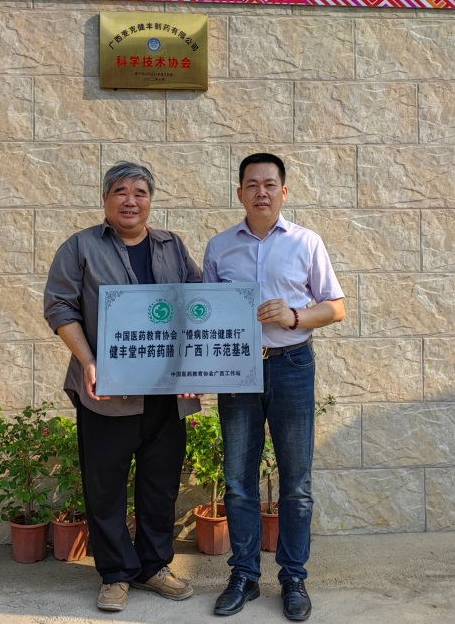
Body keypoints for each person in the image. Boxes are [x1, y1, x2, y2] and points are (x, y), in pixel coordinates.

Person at [43, 161, 201, 613]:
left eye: (140, 192)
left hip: (166, 394)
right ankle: (115, 573)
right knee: (105, 486)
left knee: (161, 484)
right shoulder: (81, 247)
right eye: (120, 192)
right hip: (107, 393)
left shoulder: (172, 246)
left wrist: (199, 369)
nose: (131, 201)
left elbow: (198, 301)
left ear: (151, 200)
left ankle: (153, 566)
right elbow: (59, 307)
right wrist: (88, 361)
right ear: (105, 199)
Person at [203, 152, 346, 622]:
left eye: (269, 184)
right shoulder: (220, 247)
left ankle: (293, 578)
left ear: (283, 192)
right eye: (252, 184)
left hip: (292, 365)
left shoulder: (307, 242)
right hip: (236, 371)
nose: (260, 192)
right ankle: (244, 575)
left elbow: (336, 307)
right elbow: (205, 316)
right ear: (239, 192)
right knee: (238, 480)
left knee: (296, 482)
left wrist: (295, 316)